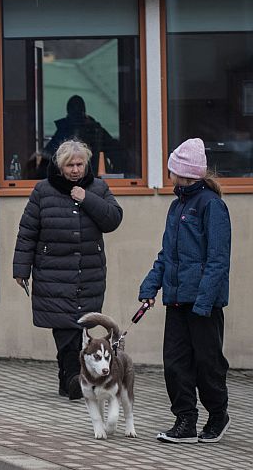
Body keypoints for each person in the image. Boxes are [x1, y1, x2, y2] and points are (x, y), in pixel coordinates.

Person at [13, 139, 123, 400]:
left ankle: (72, 379)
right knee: (64, 329)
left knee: (81, 327)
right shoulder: (43, 191)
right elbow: (27, 232)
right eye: (70, 165)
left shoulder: (98, 188)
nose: (75, 170)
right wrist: (21, 269)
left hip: (89, 272)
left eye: (80, 164)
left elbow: (113, 219)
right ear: (60, 166)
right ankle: (72, 378)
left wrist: (88, 199)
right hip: (53, 273)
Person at [139, 138, 231, 444]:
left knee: (208, 364)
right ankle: (185, 421)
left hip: (203, 304)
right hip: (177, 301)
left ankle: (218, 415)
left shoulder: (212, 206)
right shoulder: (176, 206)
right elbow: (167, 254)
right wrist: (150, 286)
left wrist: (204, 303)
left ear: (184, 172)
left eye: (172, 170)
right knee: (175, 364)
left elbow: (218, 260)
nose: (169, 175)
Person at [40, 95, 124, 177]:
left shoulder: (95, 130)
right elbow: (48, 156)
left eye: (78, 113)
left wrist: (116, 176)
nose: (77, 119)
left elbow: (116, 151)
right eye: (74, 113)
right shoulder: (64, 130)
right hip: (69, 179)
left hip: (93, 177)